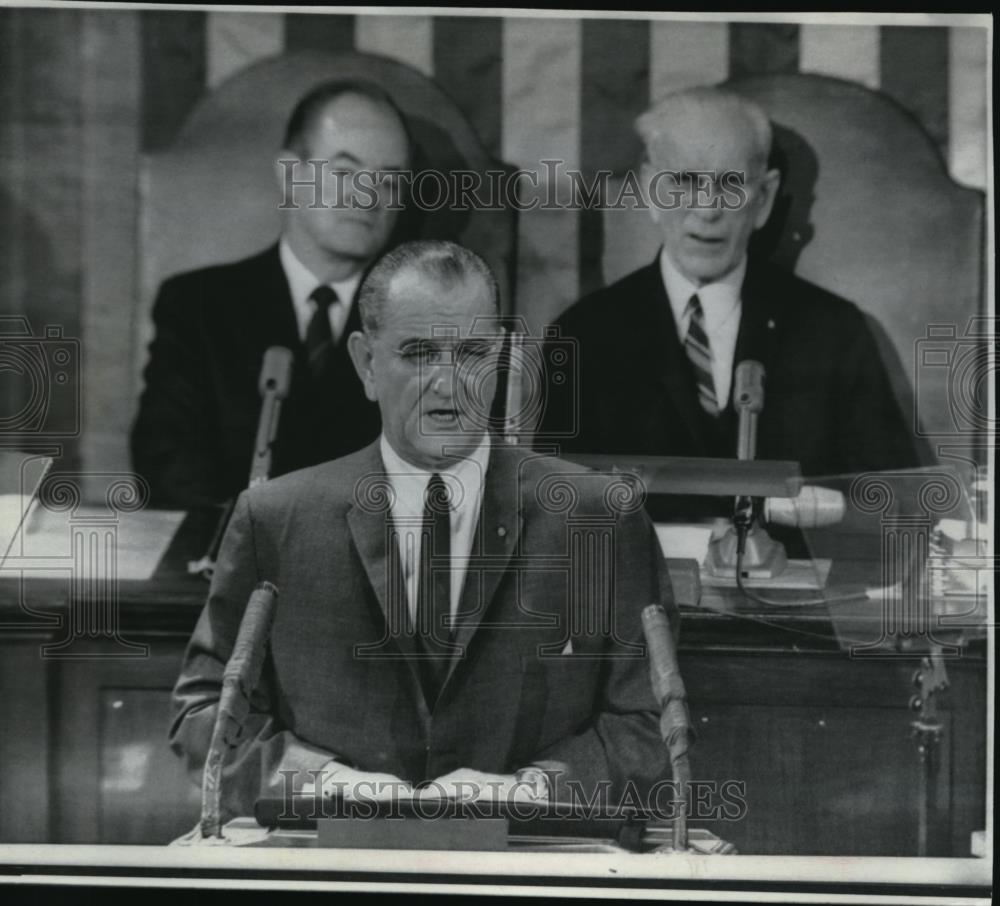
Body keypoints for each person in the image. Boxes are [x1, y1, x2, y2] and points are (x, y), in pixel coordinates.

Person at [169, 240, 676, 819]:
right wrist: (327, 784)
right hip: (337, 868)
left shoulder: (600, 518)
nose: (447, 383)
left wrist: (529, 792)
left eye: (472, 353)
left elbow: (653, 722)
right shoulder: (277, 519)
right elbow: (205, 713)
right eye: (418, 352)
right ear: (365, 363)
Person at [538, 86, 921, 486]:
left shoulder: (836, 334)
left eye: (730, 184)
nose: (707, 209)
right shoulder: (584, 335)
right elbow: (553, 511)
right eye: (684, 181)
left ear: (764, 198)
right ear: (651, 190)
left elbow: (890, 505)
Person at [131, 79, 412, 509]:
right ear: (290, 174)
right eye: (344, 173)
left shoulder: (420, 321)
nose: (368, 196)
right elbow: (166, 461)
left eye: (389, 181)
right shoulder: (198, 306)